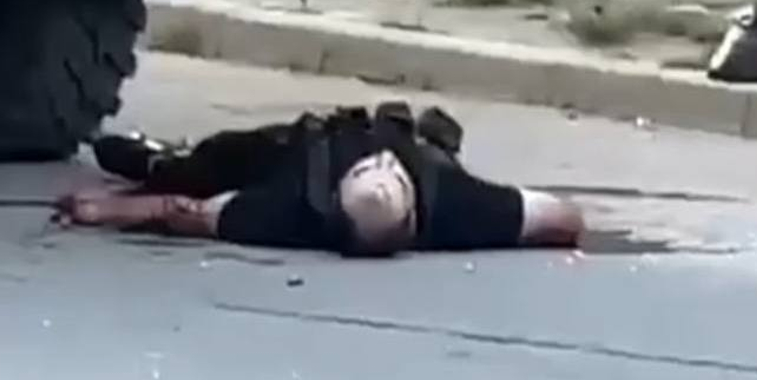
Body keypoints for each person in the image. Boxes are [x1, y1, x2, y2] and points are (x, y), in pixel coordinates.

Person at [56, 102, 583, 256]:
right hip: (414, 148)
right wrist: (558, 228)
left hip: (286, 155)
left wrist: (103, 210)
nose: (385, 164)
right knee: (435, 153)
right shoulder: (457, 210)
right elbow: (561, 217)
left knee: (190, 173)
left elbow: (184, 213)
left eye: (373, 170)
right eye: (388, 174)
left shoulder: (288, 215)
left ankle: (150, 161)